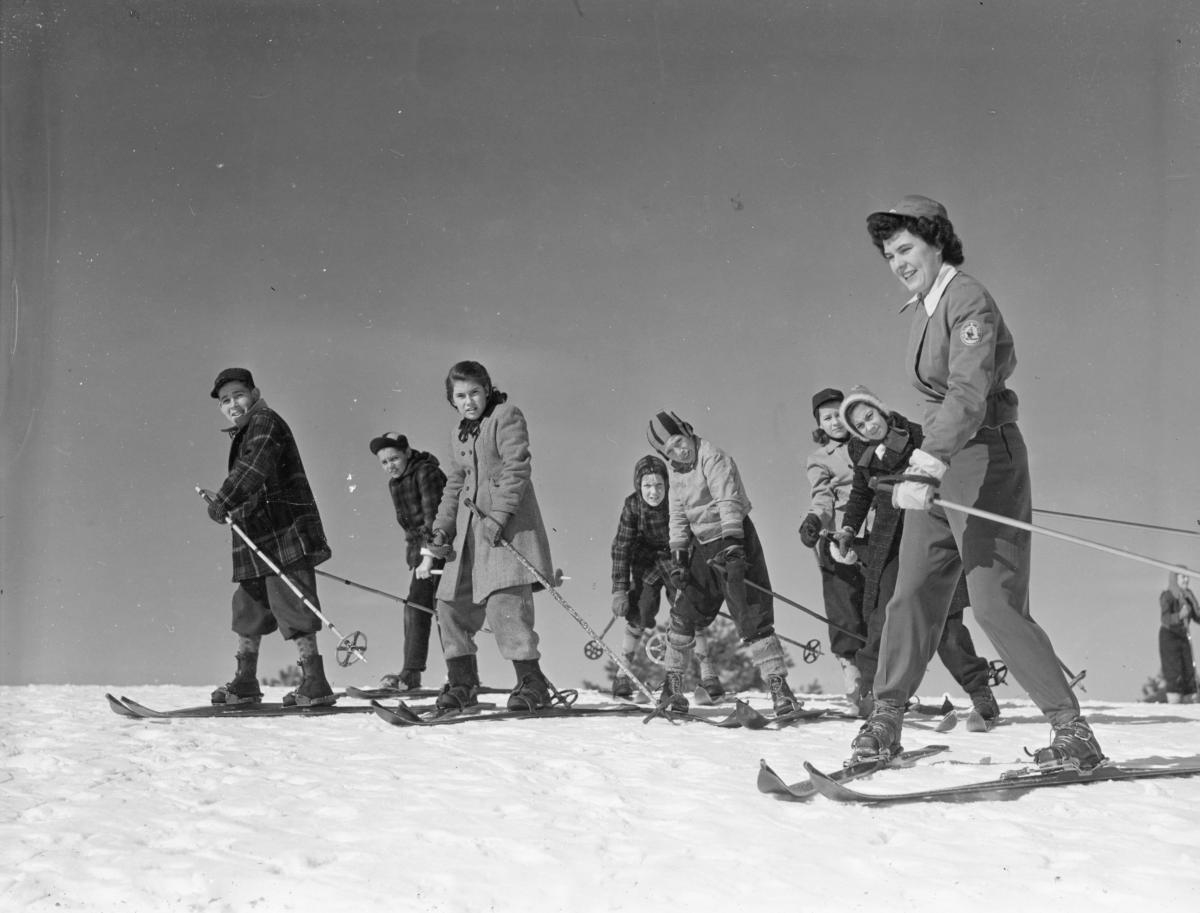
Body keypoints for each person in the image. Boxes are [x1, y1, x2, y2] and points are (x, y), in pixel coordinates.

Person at [851, 194, 1102, 769]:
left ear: (937, 241)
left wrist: (929, 460)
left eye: (906, 248)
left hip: (984, 457)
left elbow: (967, 393)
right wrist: (923, 461)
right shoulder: (924, 308)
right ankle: (885, 719)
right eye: (889, 255)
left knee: (993, 603)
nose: (898, 263)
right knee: (913, 592)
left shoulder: (966, 299)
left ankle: (1073, 731)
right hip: (938, 464)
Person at [833, 384, 999, 721]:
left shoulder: (919, 437)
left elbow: (949, 471)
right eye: (861, 426)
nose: (869, 427)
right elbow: (860, 497)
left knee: (946, 624)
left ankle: (981, 693)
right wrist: (849, 528)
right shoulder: (864, 456)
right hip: (890, 544)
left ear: (881, 410)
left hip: (930, 535)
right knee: (884, 619)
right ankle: (869, 694)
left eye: (870, 417)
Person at [416, 361, 555, 712]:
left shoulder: (506, 416)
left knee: (504, 605)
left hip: (506, 530)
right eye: (460, 396)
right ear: (452, 400)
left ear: (487, 390)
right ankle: (463, 683)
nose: (469, 401)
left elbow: (516, 468)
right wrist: (441, 530)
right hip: (468, 538)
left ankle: (532, 684)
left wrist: (499, 516)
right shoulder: (458, 433)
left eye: (475, 392)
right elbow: (456, 484)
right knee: (448, 605)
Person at [646, 410, 801, 717]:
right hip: (702, 547)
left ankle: (779, 688)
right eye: (670, 450)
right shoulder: (675, 472)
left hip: (735, 538)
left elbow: (727, 500)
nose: (679, 451)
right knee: (683, 611)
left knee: (751, 611)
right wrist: (678, 556)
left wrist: (733, 547)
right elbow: (677, 516)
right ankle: (673, 688)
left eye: (679, 441)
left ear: (687, 431)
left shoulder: (712, 456)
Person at [202, 367, 336, 707]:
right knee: (248, 607)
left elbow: (255, 467)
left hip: (284, 532)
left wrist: (223, 501)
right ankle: (246, 680)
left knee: (293, 602)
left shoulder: (264, 422)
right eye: (225, 400)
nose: (233, 404)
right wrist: (230, 505)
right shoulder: (244, 431)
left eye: (238, 395)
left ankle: (314, 681)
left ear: (255, 393)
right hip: (256, 536)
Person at [609, 454, 725, 701]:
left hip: (677, 558)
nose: (653, 492)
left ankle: (708, 675)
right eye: (647, 486)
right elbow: (621, 547)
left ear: (667, 484)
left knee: (689, 610)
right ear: (639, 487)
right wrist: (619, 588)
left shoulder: (678, 500)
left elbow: (693, 534)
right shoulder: (632, 506)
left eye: (659, 485)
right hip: (646, 563)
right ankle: (622, 675)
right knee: (640, 611)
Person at [799, 388, 868, 705]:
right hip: (838, 537)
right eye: (827, 418)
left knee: (877, 608)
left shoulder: (868, 443)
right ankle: (851, 670)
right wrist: (815, 519)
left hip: (873, 535)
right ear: (820, 425)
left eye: (839, 414)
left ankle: (881, 679)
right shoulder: (819, 459)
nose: (835, 422)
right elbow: (822, 496)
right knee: (845, 607)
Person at [369, 431, 447, 692]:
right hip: (423, 553)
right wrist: (417, 557)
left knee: (442, 609)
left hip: (443, 548)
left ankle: (459, 675)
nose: (390, 466)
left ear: (407, 452)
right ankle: (413, 673)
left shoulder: (425, 472)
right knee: (418, 607)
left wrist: (427, 556)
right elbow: (410, 527)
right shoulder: (396, 483)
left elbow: (433, 517)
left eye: (394, 458)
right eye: (384, 462)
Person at [1159, 572, 1198, 703]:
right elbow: (1165, 618)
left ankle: (1190, 702)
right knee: (1174, 671)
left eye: (1188, 576)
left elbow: (1198, 616)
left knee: (1188, 669)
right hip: (1170, 635)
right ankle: (1175, 704)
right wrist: (1180, 615)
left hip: (1183, 635)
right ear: (1175, 579)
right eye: (1183, 576)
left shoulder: (1188, 595)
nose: (1187, 579)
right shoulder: (1168, 595)